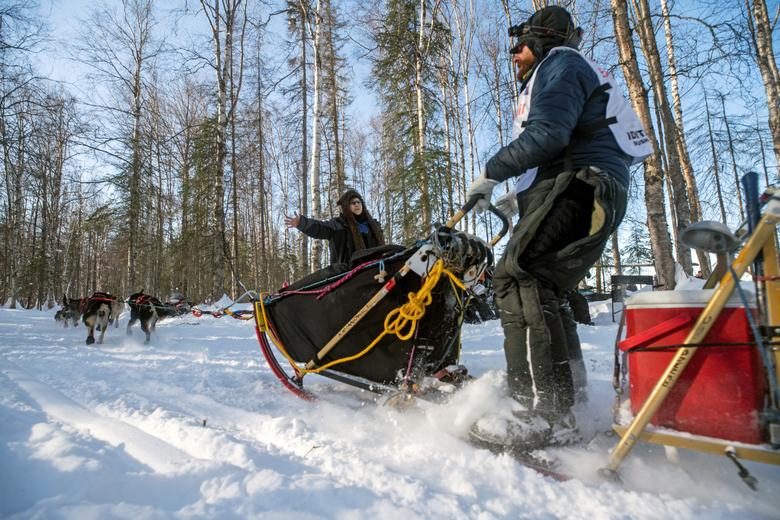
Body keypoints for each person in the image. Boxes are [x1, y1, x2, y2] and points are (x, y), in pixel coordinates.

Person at [467, 5, 651, 448]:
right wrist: (521, 198)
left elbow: (549, 135)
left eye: (520, 47)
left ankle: (540, 412)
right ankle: (569, 406)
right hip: (587, 182)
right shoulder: (568, 69)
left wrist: (491, 171)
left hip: (583, 181)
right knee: (545, 285)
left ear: (543, 40)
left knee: (519, 274)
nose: (515, 56)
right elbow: (565, 139)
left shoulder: (560, 64)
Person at [285, 189, 385, 266]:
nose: (357, 204)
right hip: (347, 274)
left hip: (376, 270)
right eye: (353, 202)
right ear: (346, 206)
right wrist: (302, 223)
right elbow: (320, 228)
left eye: (359, 202)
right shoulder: (339, 224)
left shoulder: (374, 226)